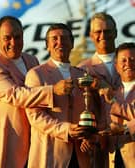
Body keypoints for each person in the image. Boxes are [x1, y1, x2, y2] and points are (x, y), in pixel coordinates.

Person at [0, 16, 73, 168]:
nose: (13, 42)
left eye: (17, 37)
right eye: (7, 38)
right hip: (6, 143)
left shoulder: (31, 61)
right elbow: (15, 95)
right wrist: (53, 91)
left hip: (35, 142)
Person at [25, 23, 102, 168]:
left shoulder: (82, 75)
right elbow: (35, 116)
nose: (59, 42)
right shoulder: (36, 74)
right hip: (50, 155)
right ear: (47, 45)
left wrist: (89, 135)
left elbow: (91, 111)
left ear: (72, 44)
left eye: (64, 38)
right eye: (54, 39)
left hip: (81, 155)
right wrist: (66, 130)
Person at [77, 12, 122, 167]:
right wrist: (85, 136)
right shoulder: (82, 69)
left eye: (107, 31)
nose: (103, 35)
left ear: (115, 33)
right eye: (98, 32)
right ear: (91, 35)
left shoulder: (129, 62)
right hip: (100, 145)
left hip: (130, 139)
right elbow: (78, 109)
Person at [108, 42, 135, 168]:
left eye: (132, 59)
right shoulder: (113, 92)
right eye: (123, 60)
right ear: (116, 67)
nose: (128, 64)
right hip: (113, 159)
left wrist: (125, 129)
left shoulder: (111, 98)